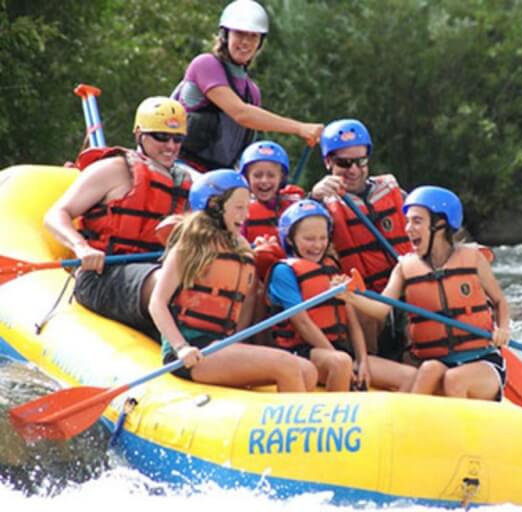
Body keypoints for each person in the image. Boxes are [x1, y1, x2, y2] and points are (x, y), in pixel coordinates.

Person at [148, 170, 317, 391]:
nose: (246, 215)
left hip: (223, 345)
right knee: (285, 364)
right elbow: (157, 303)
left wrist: (239, 349)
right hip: (193, 350)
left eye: (247, 207)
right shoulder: (188, 247)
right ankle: (295, 426)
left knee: (308, 370)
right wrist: (180, 347)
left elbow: (243, 305)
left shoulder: (242, 248)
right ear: (215, 207)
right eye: (239, 208)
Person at [342, 186, 510, 401]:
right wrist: (350, 296)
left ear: (440, 224)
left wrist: (502, 328)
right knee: (429, 369)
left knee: (454, 380)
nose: (408, 229)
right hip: (438, 360)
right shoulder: (404, 268)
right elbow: (381, 309)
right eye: (408, 221)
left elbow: (499, 301)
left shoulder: (473, 259)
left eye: (417, 221)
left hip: (480, 360)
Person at [44, 96, 193, 338]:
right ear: (139, 134)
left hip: (152, 274)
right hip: (102, 276)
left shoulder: (185, 184)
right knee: (169, 283)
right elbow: (56, 214)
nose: (170, 146)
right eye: (161, 137)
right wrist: (81, 248)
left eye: (178, 139)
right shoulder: (113, 169)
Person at [266, 199, 416, 392]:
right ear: (289, 238)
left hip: (339, 350)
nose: (317, 245)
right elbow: (302, 323)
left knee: (409, 376)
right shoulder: (283, 272)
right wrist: (336, 355)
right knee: (340, 362)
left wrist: (362, 361)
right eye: (309, 239)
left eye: (322, 238)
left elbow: (351, 320)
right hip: (302, 352)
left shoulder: (331, 268)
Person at [172, 0, 323, 172]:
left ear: (260, 42)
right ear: (225, 35)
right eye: (240, 34)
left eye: (253, 36)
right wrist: (300, 128)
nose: (246, 42)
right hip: (182, 164)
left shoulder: (252, 92)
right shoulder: (205, 65)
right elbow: (241, 113)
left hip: (219, 174)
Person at [310, 118, 413, 355]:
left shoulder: (395, 193)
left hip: (404, 289)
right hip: (363, 296)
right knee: (361, 307)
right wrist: (313, 199)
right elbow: (296, 235)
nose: (354, 170)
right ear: (328, 162)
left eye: (360, 161)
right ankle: (371, 368)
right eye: (344, 163)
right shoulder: (321, 204)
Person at [239, 140, 305, 244]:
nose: (264, 181)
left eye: (271, 175)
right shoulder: (240, 210)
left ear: (281, 178)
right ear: (247, 178)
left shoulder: (294, 204)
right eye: (257, 175)